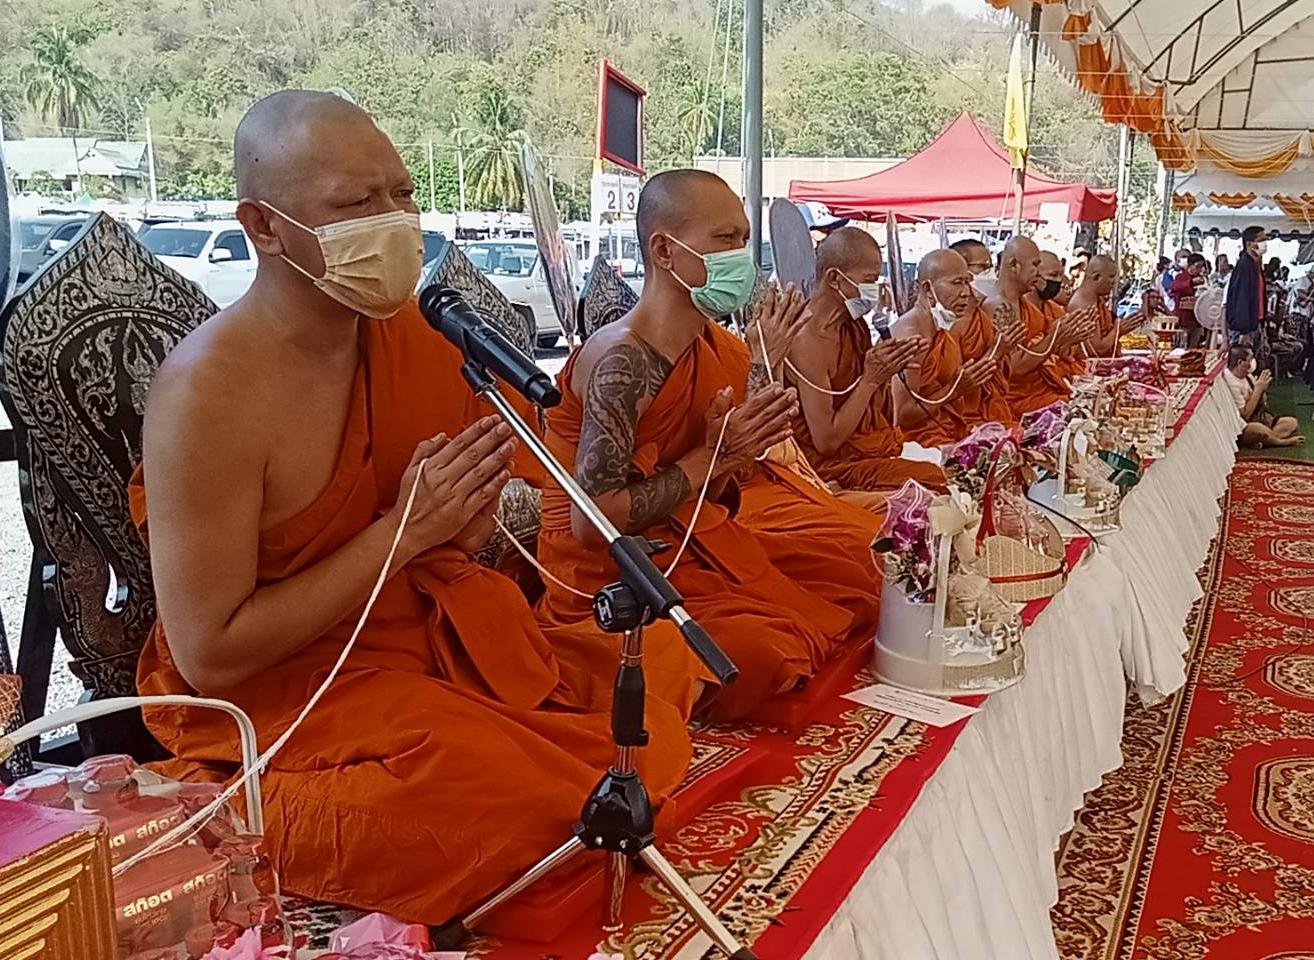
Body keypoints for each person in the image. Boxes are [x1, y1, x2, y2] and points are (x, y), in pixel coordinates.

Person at [131, 91, 700, 923]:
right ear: (263, 226)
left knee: (650, 690)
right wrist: (402, 534)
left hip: (425, 639)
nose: (395, 221)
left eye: (401, 194)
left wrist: (460, 514)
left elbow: (455, 547)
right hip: (293, 689)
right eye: (356, 203)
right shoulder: (208, 394)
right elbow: (211, 654)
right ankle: (216, 817)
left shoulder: (415, 341)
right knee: (515, 798)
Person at [534, 169, 883, 721]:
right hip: (610, 576)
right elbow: (594, 525)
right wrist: (713, 457)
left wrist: (732, 455)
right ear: (664, 251)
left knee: (857, 574)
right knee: (763, 653)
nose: (741, 257)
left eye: (744, 239)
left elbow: (713, 492)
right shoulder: (621, 361)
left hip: (689, 544)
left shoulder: (717, 347)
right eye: (724, 239)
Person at [783, 227, 942, 502]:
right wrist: (871, 380)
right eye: (869, 280)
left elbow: (874, 412)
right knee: (931, 481)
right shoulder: (806, 339)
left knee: (935, 474)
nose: (874, 290)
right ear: (834, 278)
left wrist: (888, 368)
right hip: (824, 464)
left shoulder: (853, 326)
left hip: (863, 449)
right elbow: (826, 442)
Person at [892, 248, 1007, 446]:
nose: (966, 293)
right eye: (956, 283)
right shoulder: (910, 335)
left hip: (949, 428)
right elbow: (901, 415)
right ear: (928, 288)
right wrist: (954, 390)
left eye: (967, 282)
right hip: (915, 439)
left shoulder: (941, 328)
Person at [994, 235, 1095, 416]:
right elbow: (1014, 369)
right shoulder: (999, 307)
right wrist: (1054, 338)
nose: (1038, 273)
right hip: (1013, 400)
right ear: (1014, 265)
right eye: (1034, 265)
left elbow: (1056, 353)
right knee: (1082, 408)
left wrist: (1065, 339)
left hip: (1040, 390)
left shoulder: (1027, 309)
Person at [1223, 344, 1304, 448]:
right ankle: (1280, 442)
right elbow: (1245, 415)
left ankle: (1267, 439)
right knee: (1259, 430)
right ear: (1240, 363)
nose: (1252, 362)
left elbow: (1262, 401)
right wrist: (1258, 390)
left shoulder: (1247, 375)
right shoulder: (1231, 382)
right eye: (1250, 359)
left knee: (1292, 423)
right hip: (1245, 425)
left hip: (1260, 417)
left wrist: (1262, 390)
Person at [1066, 253, 1128, 359]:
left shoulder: (1097, 300)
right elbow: (1096, 350)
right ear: (1097, 277)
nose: (1114, 282)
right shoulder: (1082, 303)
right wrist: (1118, 330)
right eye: (1111, 277)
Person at [1225, 225, 1267, 346]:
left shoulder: (1255, 266)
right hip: (1244, 328)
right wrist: (1244, 330)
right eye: (1261, 240)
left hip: (1254, 322)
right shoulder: (1244, 266)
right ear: (1249, 244)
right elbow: (1241, 298)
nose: (1264, 244)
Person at [1171, 253, 1210, 348]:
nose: (1200, 269)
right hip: (1183, 320)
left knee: (1193, 346)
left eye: (1202, 266)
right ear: (1190, 266)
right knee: (1181, 346)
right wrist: (1191, 282)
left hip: (1197, 320)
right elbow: (1175, 287)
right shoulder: (1181, 277)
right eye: (1197, 266)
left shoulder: (1203, 279)